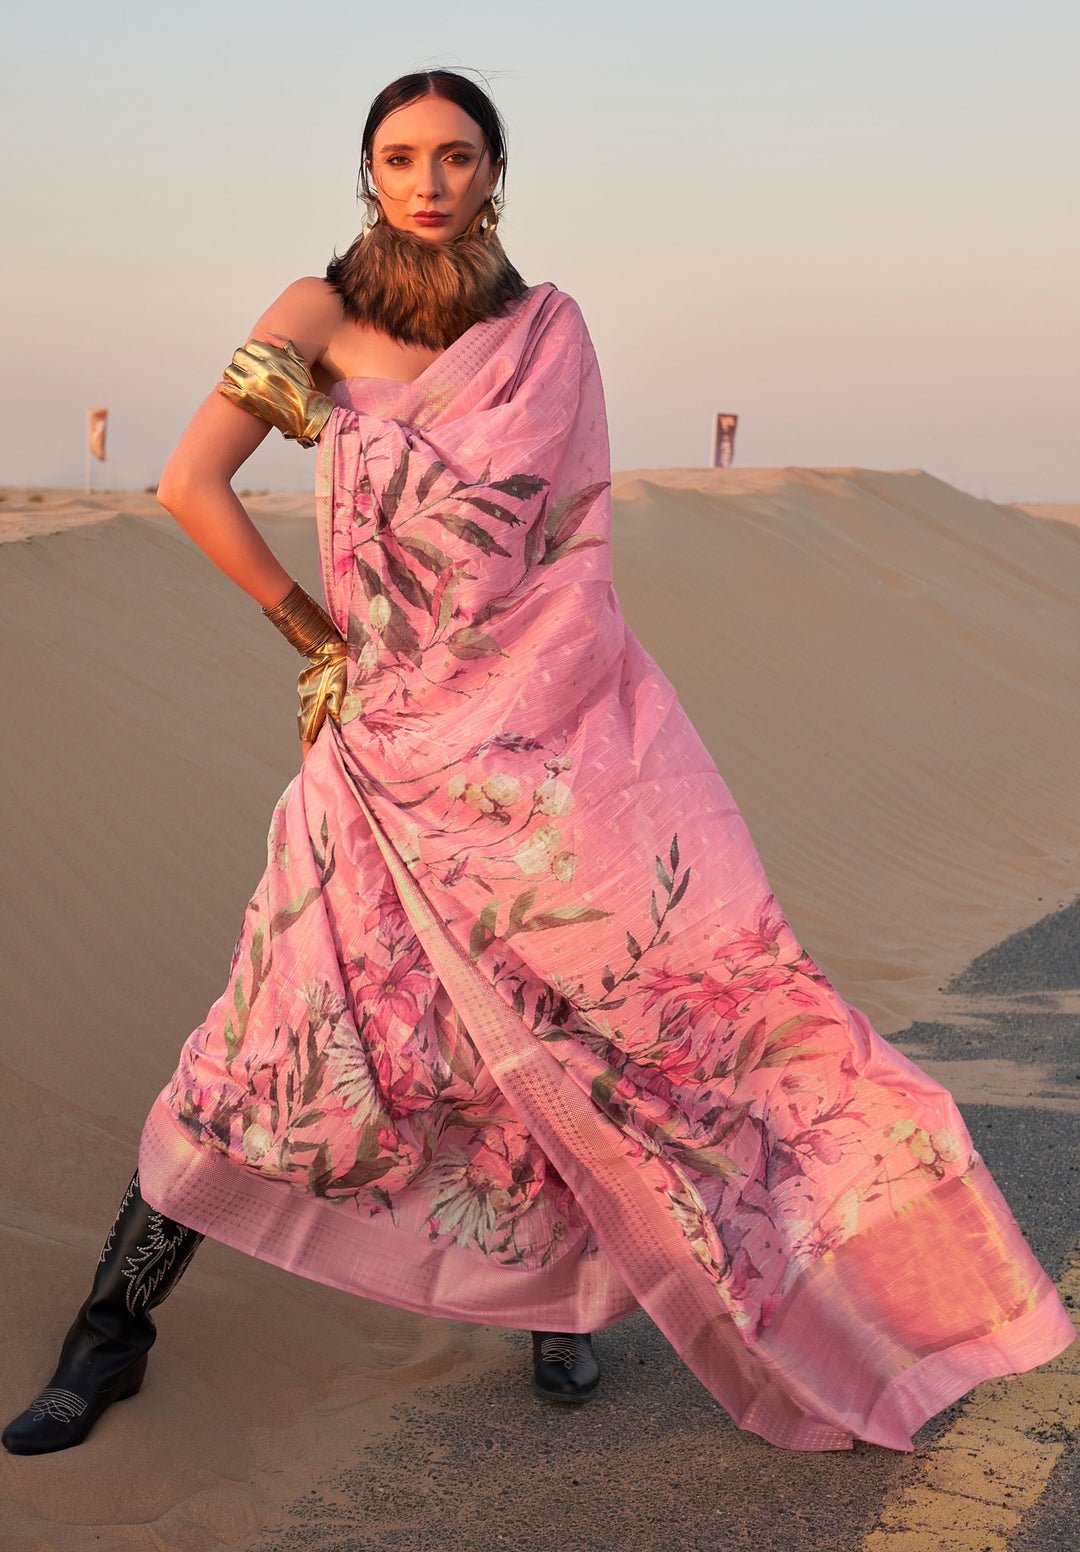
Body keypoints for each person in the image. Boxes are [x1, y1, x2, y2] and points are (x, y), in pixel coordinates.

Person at [4, 69, 1072, 1459]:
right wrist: (311, 636)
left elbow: (573, 560)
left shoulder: (544, 334)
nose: (429, 179)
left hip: (539, 756)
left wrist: (525, 710)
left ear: (496, 170)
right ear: (368, 175)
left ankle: (560, 1309)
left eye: (456, 155)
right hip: (374, 763)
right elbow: (189, 482)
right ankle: (112, 1331)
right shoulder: (316, 314)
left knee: (595, 1019)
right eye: (401, 156)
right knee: (268, 1044)